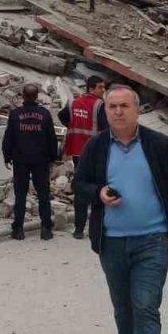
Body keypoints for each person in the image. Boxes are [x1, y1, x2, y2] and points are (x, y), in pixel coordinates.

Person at [75, 84, 168, 334]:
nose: (118, 111)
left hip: (153, 239)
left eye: (124, 106)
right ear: (106, 111)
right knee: (123, 308)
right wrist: (98, 193)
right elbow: (80, 184)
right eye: (112, 106)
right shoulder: (96, 147)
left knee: (145, 307)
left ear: (137, 109)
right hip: (111, 241)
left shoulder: (158, 144)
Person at [1, 84, 58, 241]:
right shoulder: (45, 114)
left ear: (23, 96)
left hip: (21, 160)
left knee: (20, 194)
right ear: (37, 96)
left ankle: (18, 229)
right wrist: (53, 158)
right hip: (41, 160)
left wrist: (7, 156)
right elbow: (51, 138)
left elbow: (9, 138)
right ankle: (46, 228)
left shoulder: (15, 114)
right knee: (43, 194)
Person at [60, 76, 108, 239]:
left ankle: (78, 229)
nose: (103, 90)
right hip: (94, 154)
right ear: (90, 88)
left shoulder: (73, 102)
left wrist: (73, 125)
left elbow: (62, 116)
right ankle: (95, 229)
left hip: (77, 152)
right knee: (96, 190)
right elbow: (106, 129)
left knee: (80, 190)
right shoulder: (100, 106)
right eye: (100, 87)